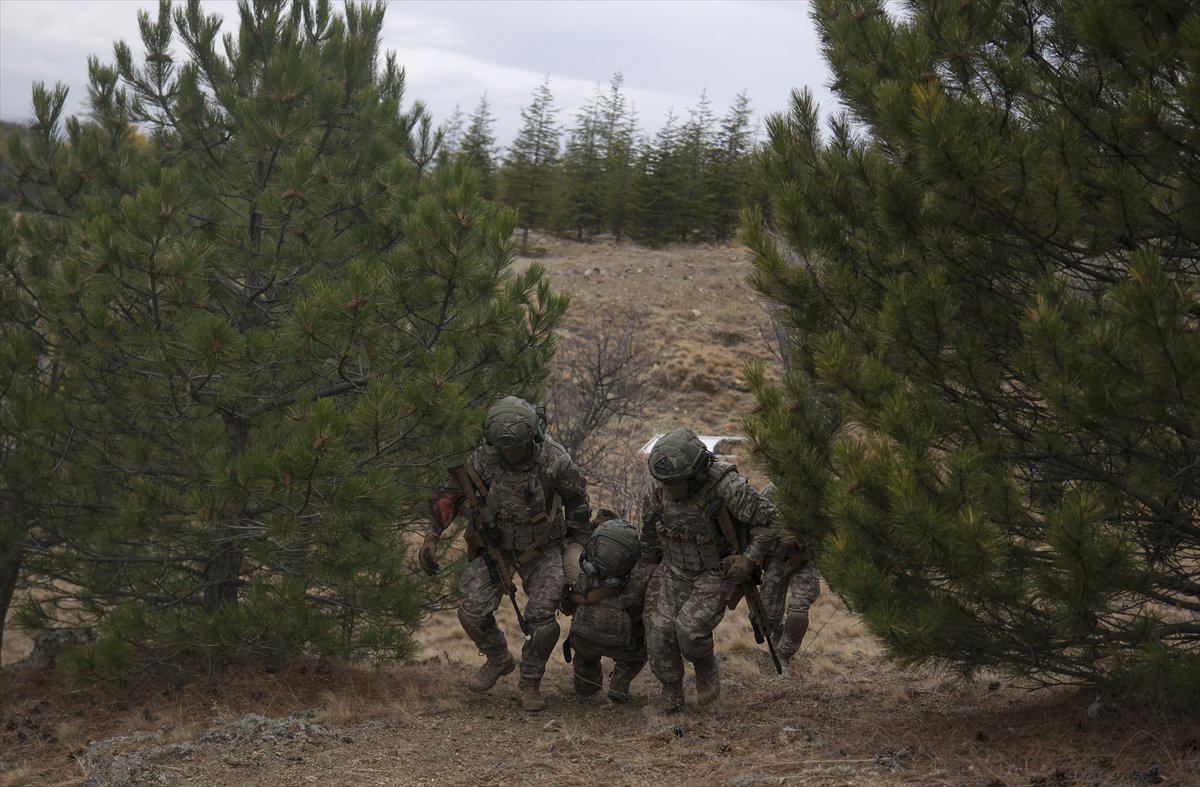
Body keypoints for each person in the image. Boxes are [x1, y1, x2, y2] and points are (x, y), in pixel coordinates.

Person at [419, 395, 591, 712]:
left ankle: (529, 682)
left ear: (532, 438)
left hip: (543, 547)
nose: (509, 453)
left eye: (516, 447)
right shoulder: (485, 458)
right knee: (471, 610)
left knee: (542, 619)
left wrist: (576, 548)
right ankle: (498, 659)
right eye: (504, 448)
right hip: (497, 545)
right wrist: (432, 538)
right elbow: (449, 495)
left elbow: (578, 504)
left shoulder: (554, 461)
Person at [639, 428, 776, 711]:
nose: (666, 488)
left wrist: (749, 559)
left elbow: (771, 522)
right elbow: (651, 530)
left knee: (689, 630)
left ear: (695, 474)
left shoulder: (727, 486)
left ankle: (705, 668)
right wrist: (646, 569)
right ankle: (671, 690)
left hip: (715, 570)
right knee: (658, 628)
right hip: (674, 567)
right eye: (663, 482)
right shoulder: (659, 487)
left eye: (673, 483)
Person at [560, 517, 650, 704]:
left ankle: (587, 684)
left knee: (583, 652)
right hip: (623, 646)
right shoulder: (642, 576)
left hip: (585, 641)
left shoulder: (578, 569)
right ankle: (621, 680)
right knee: (645, 641)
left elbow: (566, 607)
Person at [759, 483, 821, 665]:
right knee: (767, 617)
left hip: (806, 560)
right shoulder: (772, 492)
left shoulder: (815, 492)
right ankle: (779, 636)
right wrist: (779, 532)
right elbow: (758, 522)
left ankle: (783, 656)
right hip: (777, 559)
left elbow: (829, 527)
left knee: (798, 611)